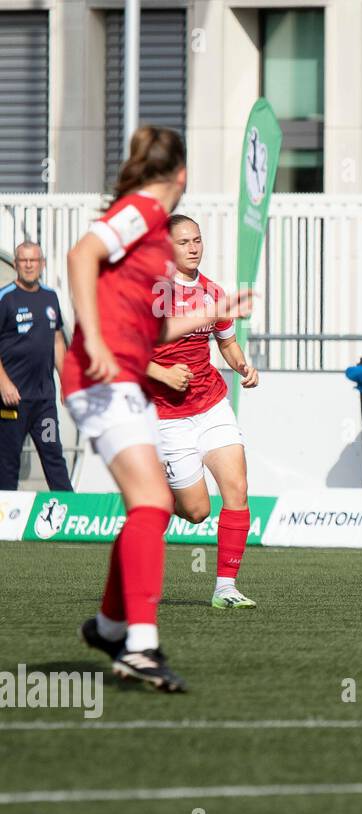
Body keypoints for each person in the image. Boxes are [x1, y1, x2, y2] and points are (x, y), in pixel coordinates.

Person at [65, 126, 252, 692]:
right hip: (103, 375)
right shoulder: (145, 211)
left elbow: (154, 326)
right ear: (182, 176)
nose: (192, 245)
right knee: (154, 503)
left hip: (128, 382)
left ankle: (108, 626)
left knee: (154, 507)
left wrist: (213, 314)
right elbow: (80, 256)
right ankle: (141, 646)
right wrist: (94, 339)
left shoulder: (152, 237)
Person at [144, 214, 260, 608]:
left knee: (238, 488)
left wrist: (243, 364)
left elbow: (226, 342)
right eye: (184, 242)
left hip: (211, 404)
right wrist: (160, 372)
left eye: (197, 240)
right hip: (168, 417)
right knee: (195, 512)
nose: (194, 248)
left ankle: (225, 587)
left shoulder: (213, 292)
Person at [0, 242, 73, 490]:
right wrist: (4, 383)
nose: (29, 265)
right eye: (24, 260)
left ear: (42, 264)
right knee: (8, 463)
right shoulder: (5, 298)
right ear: (16, 264)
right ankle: (5, 524)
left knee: (54, 455)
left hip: (44, 401)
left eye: (34, 260)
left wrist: (65, 382)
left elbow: (57, 340)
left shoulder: (50, 297)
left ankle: (69, 513)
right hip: (12, 401)